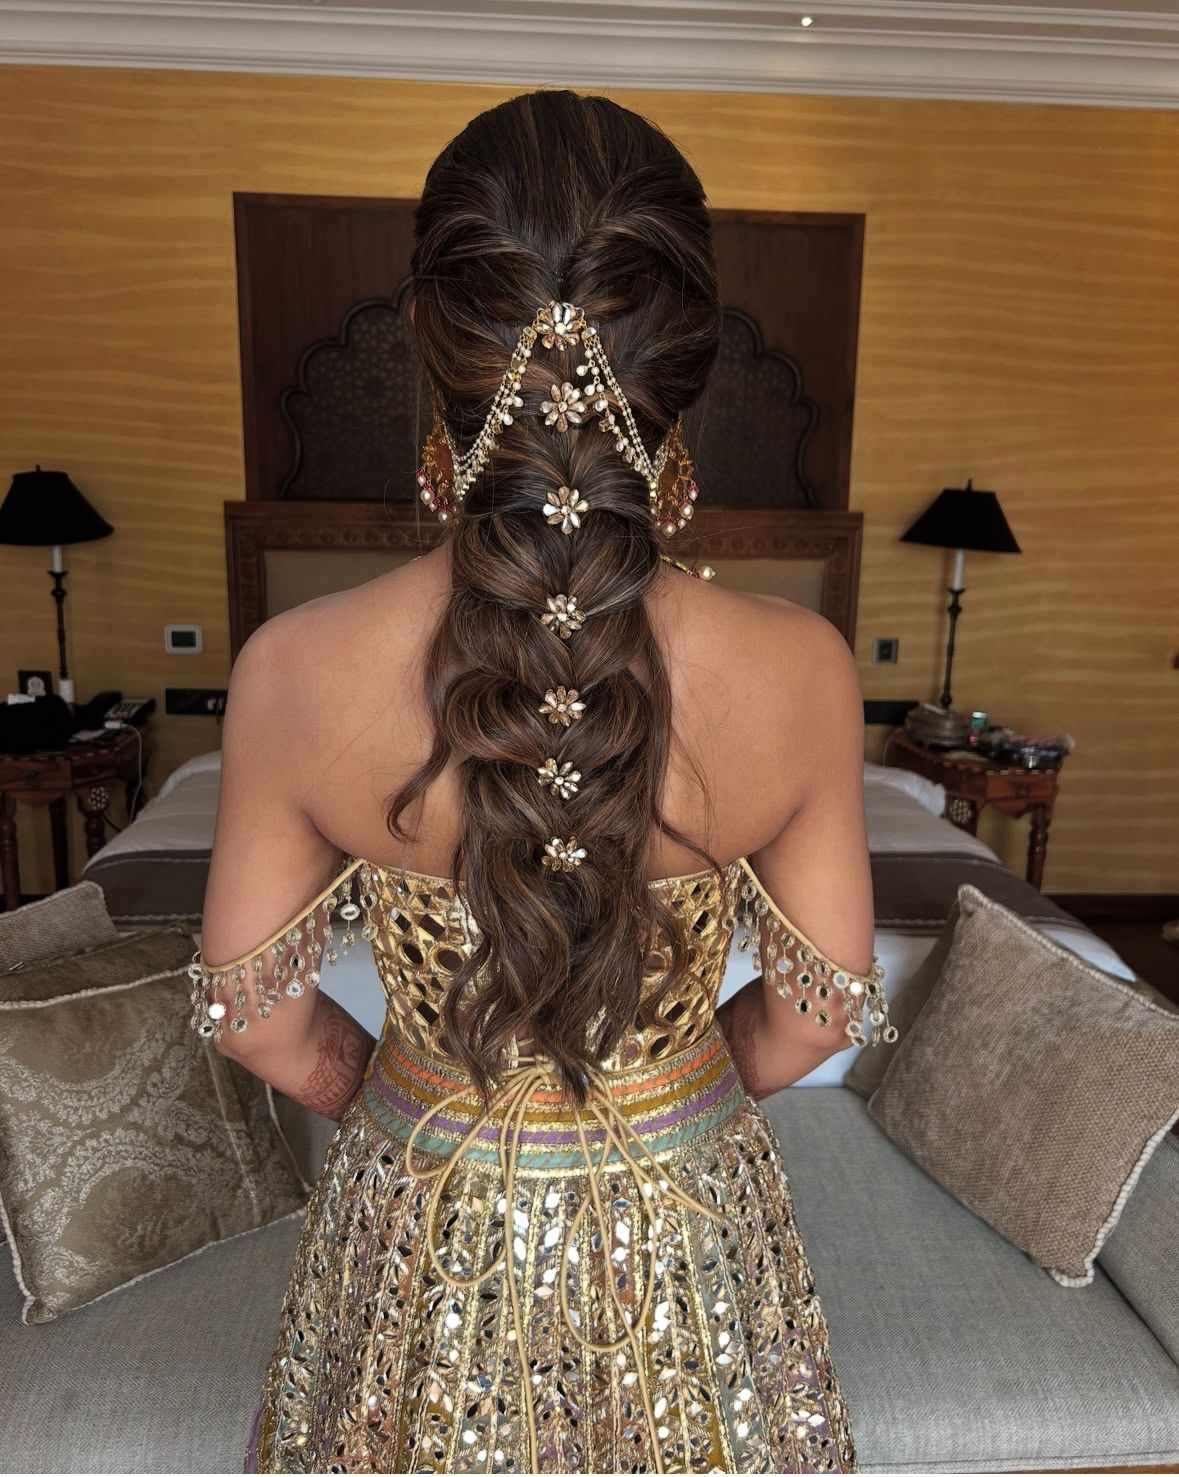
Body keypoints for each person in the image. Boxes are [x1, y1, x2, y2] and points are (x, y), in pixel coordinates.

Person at [191, 88, 894, 1476]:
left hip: (424, 1221)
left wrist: (413, 1090)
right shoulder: (804, 669)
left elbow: (251, 1017)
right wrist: (673, 1090)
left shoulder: (292, 668)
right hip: (682, 1233)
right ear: (685, 372)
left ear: (430, 352)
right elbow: (821, 1014)